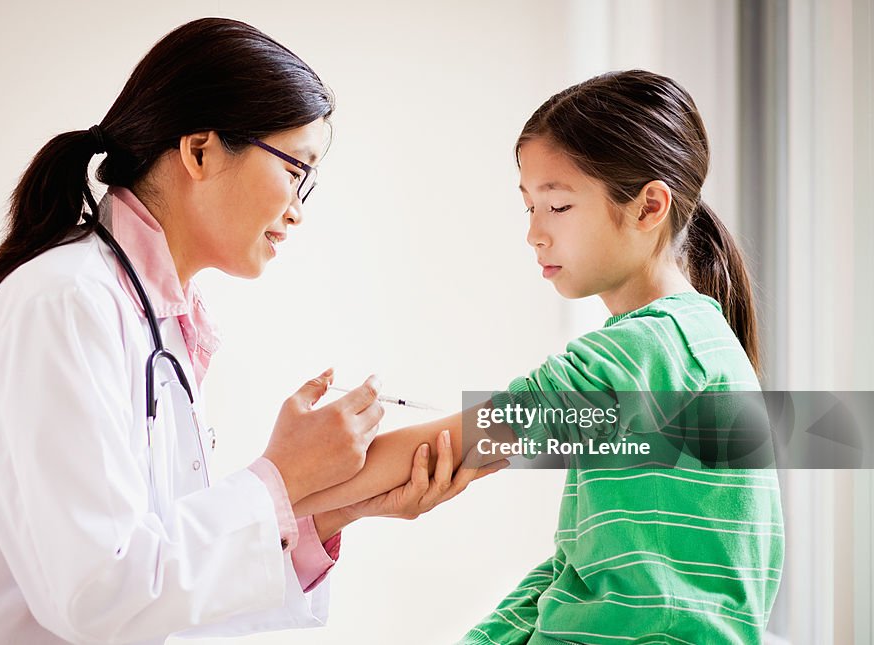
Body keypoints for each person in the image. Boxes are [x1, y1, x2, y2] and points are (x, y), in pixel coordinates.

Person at [0, 17, 504, 644]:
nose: (298, 211)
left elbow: (156, 578)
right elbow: (101, 593)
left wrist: (334, 509)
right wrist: (280, 476)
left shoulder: (152, 317)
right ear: (199, 150)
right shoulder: (64, 305)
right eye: (295, 171)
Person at [296, 70, 785, 644]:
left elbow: (446, 449)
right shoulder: (703, 343)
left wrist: (274, 493)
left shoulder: (633, 357)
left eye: (557, 206)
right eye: (528, 205)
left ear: (649, 206)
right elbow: (575, 570)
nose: (533, 233)